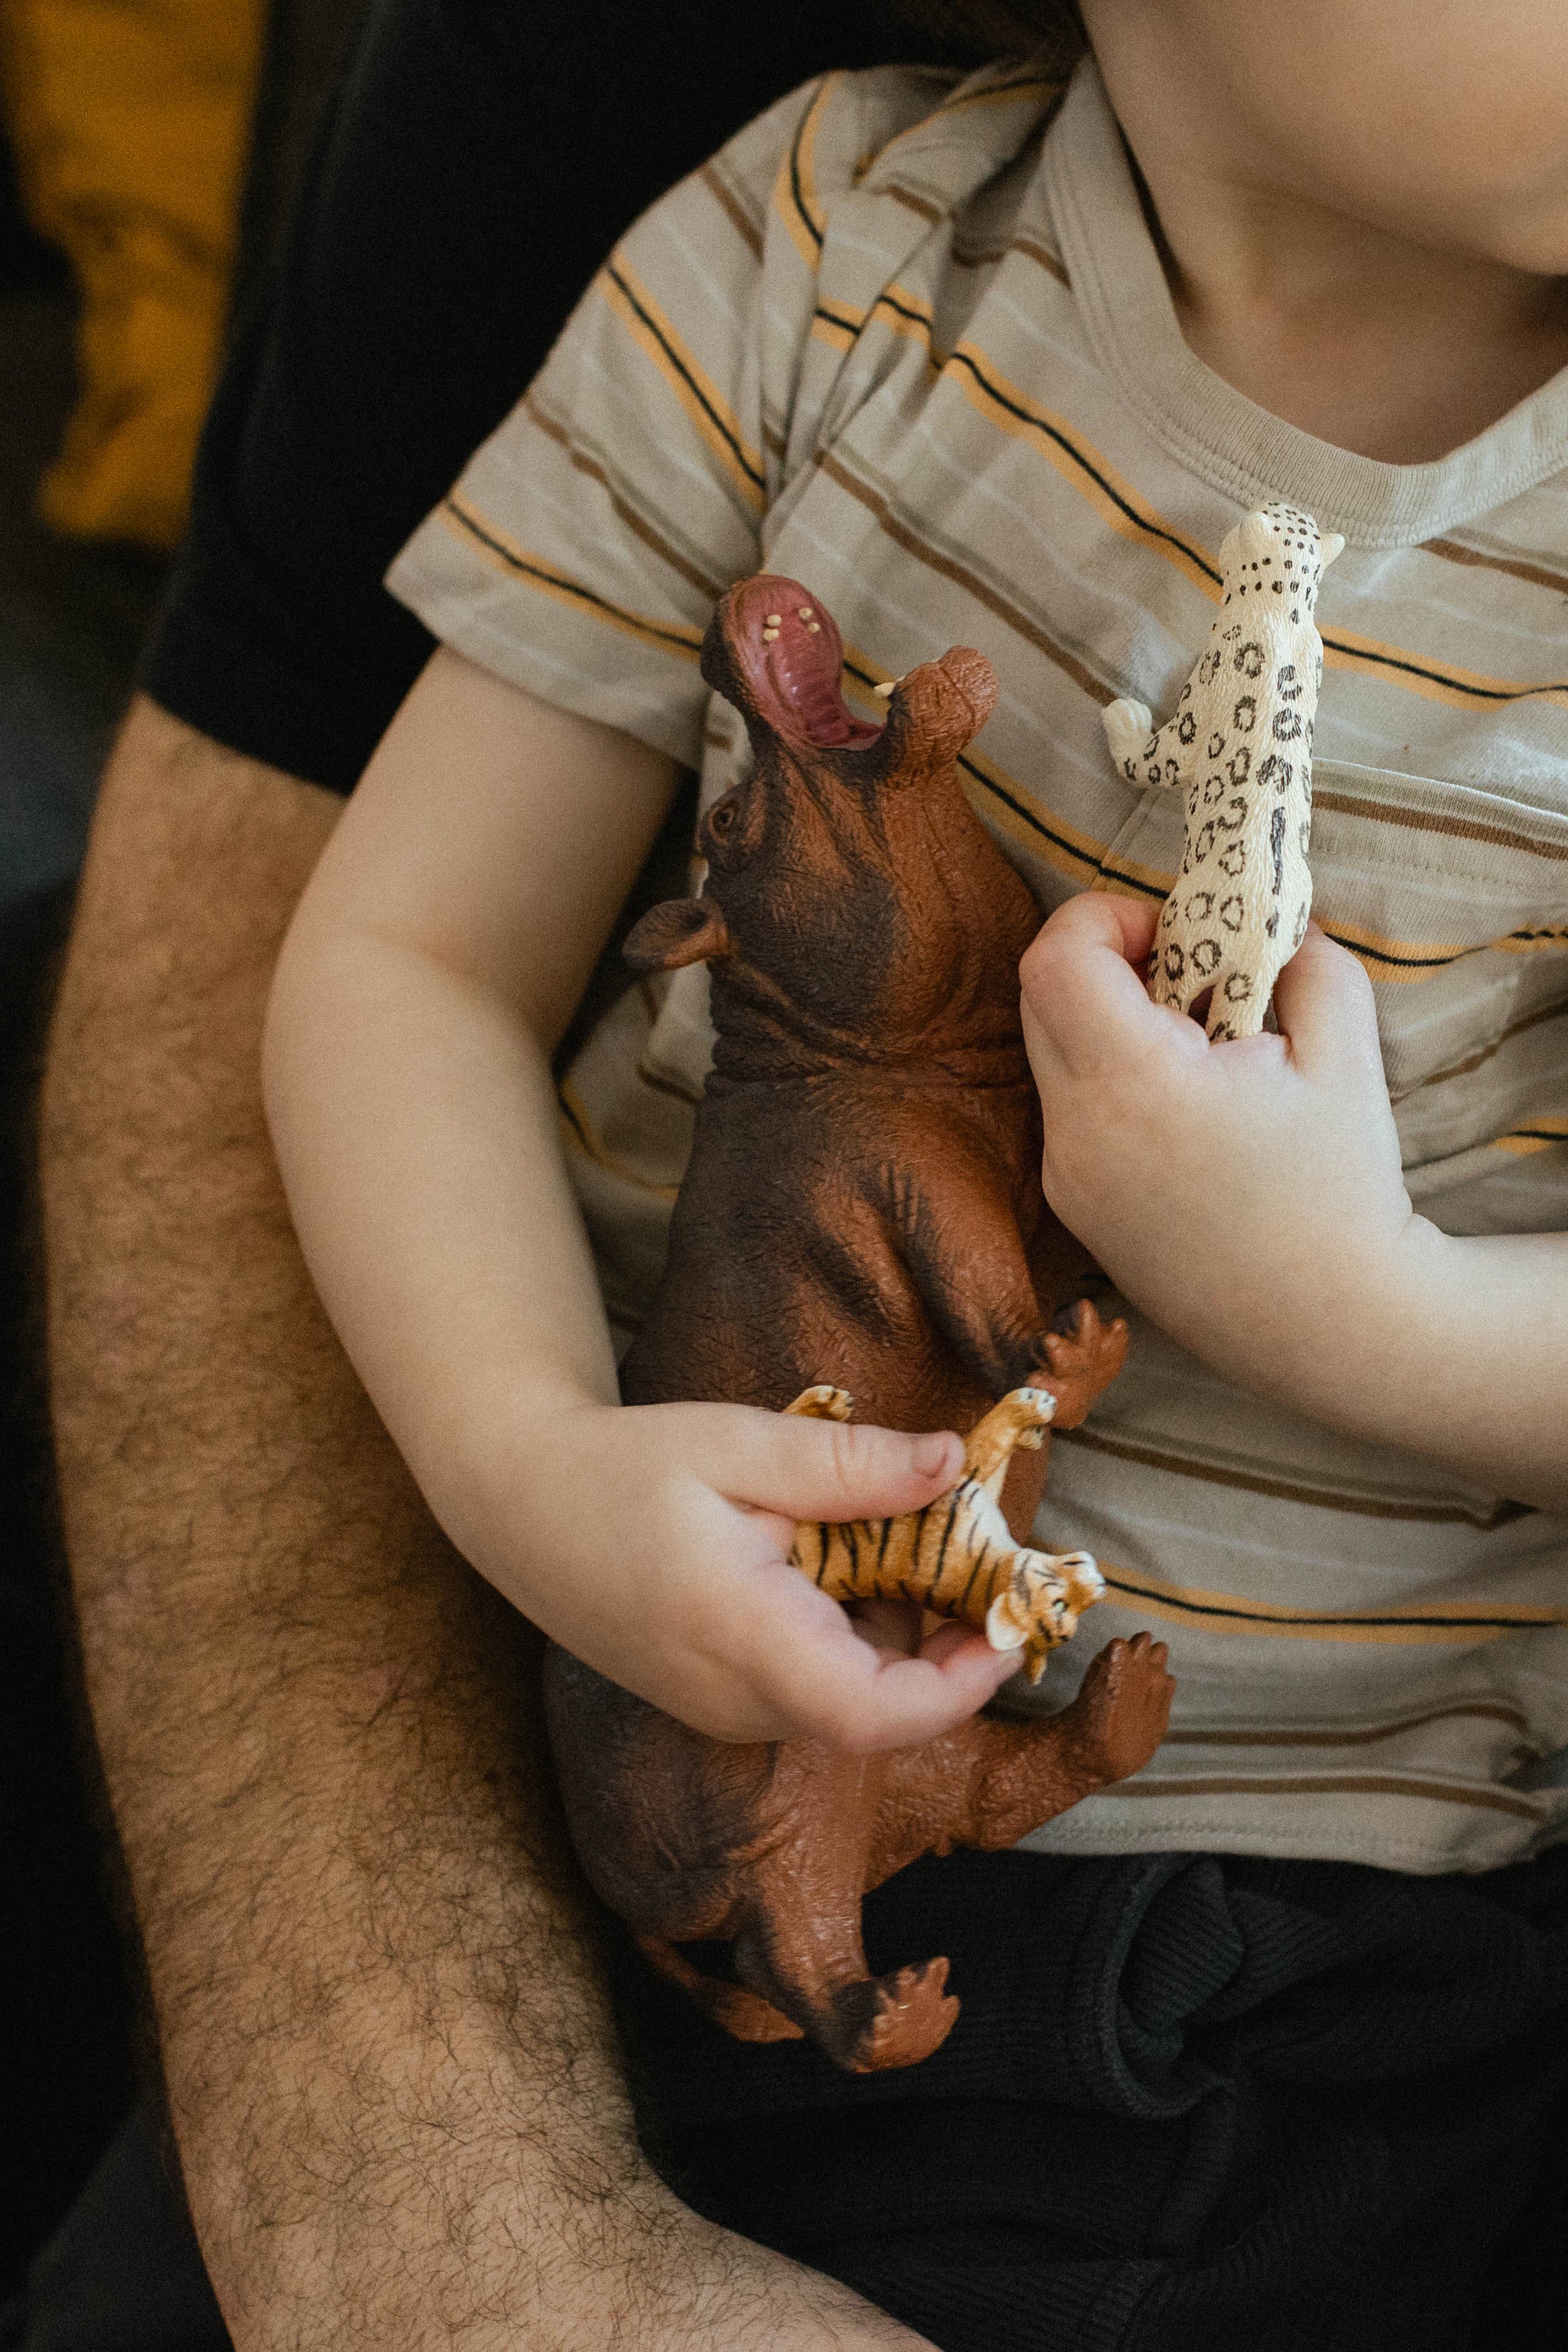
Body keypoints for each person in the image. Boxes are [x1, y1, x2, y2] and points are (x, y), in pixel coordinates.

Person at [34, 5, 1568, 2352]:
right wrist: (522, 1454)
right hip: (547, 1800)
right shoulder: (816, 250)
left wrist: (1363, 1310)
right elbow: (416, 963)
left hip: (1231, 1967)